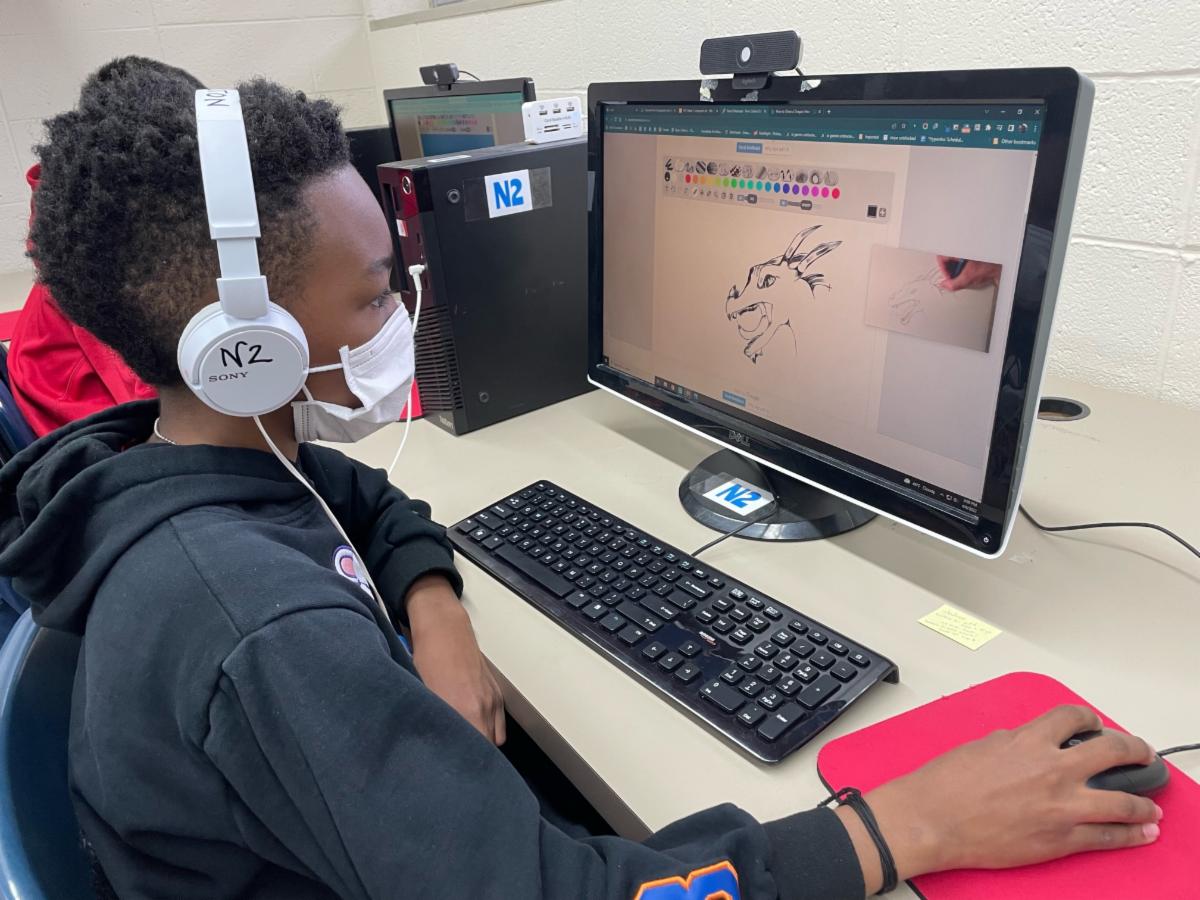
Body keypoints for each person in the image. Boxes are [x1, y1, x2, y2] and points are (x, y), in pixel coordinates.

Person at [0, 60, 1164, 900]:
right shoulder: (263, 630)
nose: (402, 314)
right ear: (242, 348)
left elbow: (360, 500)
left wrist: (435, 610)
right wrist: (904, 825)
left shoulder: (179, 467)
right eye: (372, 295)